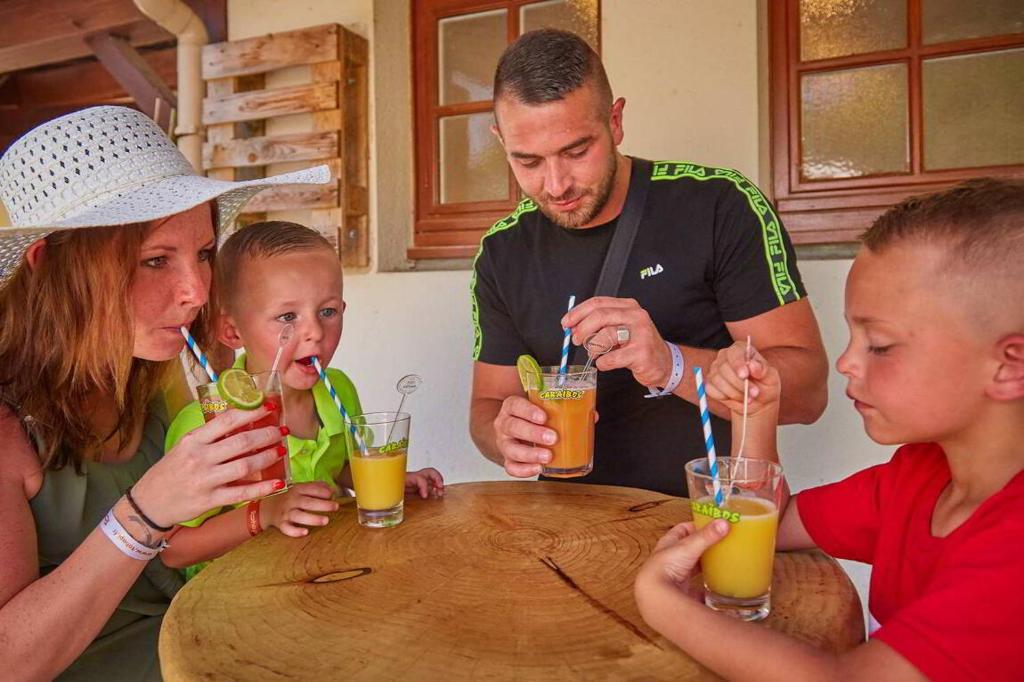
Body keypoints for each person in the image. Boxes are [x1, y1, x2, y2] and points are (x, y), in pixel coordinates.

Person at [634, 178, 1024, 680]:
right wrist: (757, 411)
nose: (845, 362)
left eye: (879, 345)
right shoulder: (917, 478)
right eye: (852, 337)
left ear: (1010, 365)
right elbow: (769, 526)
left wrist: (659, 600)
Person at [0, 106, 330, 680]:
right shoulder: (8, 427)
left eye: (203, 253)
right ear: (50, 267)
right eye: (156, 260)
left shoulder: (155, 374)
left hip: (216, 642)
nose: (197, 291)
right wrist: (144, 512)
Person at [469, 29, 829, 495]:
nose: (556, 184)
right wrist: (503, 436)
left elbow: (808, 395)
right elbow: (487, 404)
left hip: (707, 519)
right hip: (566, 531)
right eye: (528, 162)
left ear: (615, 122)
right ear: (501, 141)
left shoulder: (719, 205)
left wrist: (672, 365)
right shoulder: (502, 250)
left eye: (577, 151)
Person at [161, 221, 444, 574]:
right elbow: (173, 550)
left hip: (323, 569)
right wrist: (265, 514)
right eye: (287, 316)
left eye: (328, 312)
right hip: (236, 594)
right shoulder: (209, 420)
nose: (314, 332)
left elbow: (337, 467)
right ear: (233, 332)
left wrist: (384, 478)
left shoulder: (337, 389)